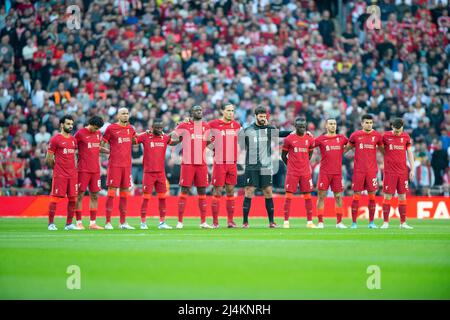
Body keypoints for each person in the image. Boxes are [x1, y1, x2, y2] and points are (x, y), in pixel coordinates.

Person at [170, 105, 213, 229]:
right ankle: (179, 221)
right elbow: (173, 137)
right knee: (184, 190)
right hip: (188, 163)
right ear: (191, 113)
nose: (199, 112)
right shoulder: (185, 125)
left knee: (202, 191)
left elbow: (209, 140)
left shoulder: (206, 126)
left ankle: (203, 222)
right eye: (196, 110)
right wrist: (178, 126)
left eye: (200, 110)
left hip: (202, 163)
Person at [241, 106, 278, 228]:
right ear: (255, 116)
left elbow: (279, 133)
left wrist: (297, 132)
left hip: (265, 166)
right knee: (249, 191)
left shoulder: (268, 129)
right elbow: (241, 144)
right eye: (260, 116)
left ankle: (271, 222)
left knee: (268, 191)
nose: (263, 118)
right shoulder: (248, 130)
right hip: (251, 166)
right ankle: (245, 222)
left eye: (264, 116)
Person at [101, 108, 137, 230]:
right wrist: (109, 152)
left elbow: (134, 141)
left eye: (127, 113)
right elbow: (101, 144)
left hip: (127, 166)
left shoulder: (131, 129)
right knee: (111, 194)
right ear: (118, 116)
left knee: (124, 194)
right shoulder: (111, 128)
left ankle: (123, 222)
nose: (126, 115)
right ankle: (107, 222)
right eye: (123, 113)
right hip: (114, 165)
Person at [345, 114, 383, 229]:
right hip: (358, 171)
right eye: (367, 122)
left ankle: (371, 223)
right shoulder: (356, 135)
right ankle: (354, 223)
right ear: (362, 123)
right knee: (356, 196)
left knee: (372, 196)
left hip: (372, 171)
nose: (369, 124)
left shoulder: (377, 136)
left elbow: (383, 151)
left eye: (371, 123)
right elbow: (346, 149)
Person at [137, 119, 175, 230]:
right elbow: (134, 141)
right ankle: (143, 222)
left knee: (162, 198)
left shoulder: (164, 138)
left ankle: (162, 222)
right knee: (146, 198)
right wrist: (141, 133)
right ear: (152, 127)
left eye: (161, 128)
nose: (159, 130)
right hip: (148, 173)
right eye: (157, 128)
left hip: (161, 173)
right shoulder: (145, 136)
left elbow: (174, 142)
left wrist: (182, 136)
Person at [208, 103, 241, 228]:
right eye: (228, 110)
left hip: (232, 163)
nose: (231, 113)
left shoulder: (237, 125)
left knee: (231, 191)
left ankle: (230, 221)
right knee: (217, 191)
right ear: (222, 111)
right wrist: (213, 148)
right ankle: (215, 222)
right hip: (220, 163)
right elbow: (205, 137)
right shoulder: (213, 124)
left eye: (232, 110)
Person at [313, 118, 348, 229]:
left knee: (338, 196)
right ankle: (320, 222)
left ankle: (339, 222)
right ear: (326, 126)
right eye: (330, 124)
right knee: (321, 196)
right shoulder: (321, 139)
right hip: (324, 172)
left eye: (334, 124)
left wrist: (342, 152)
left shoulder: (342, 138)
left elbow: (351, 144)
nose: (333, 126)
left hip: (337, 173)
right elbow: (309, 145)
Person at [281, 117, 316, 228]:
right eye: (299, 127)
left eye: (303, 127)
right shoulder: (289, 139)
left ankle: (309, 222)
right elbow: (283, 156)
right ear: (295, 127)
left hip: (305, 172)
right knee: (288, 195)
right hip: (292, 172)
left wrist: (303, 164)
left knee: (308, 196)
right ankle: (286, 221)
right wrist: (291, 165)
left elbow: (309, 155)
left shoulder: (309, 139)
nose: (302, 129)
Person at [74, 116, 108, 230]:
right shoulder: (80, 133)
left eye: (98, 128)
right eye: (95, 127)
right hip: (83, 169)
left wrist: (109, 151)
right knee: (80, 195)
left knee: (94, 196)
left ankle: (92, 223)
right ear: (90, 123)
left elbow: (96, 147)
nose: (96, 130)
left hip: (95, 170)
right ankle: (78, 222)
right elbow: (72, 147)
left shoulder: (98, 134)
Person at [380, 118, 415, 229]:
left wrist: (412, 169)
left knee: (402, 196)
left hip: (402, 172)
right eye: (395, 130)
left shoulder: (406, 137)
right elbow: (380, 148)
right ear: (392, 127)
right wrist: (386, 157)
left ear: (402, 127)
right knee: (387, 196)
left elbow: (409, 153)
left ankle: (403, 223)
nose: (397, 133)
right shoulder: (385, 136)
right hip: (389, 171)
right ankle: (385, 222)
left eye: (399, 131)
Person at [46, 115, 79, 231]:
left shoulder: (74, 140)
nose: (70, 126)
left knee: (73, 199)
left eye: (71, 124)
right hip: (60, 174)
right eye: (68, 124)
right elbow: (48, 158)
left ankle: (69, 224)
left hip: (72, 175)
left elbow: (74, 157)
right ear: (61, 125)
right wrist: (57, 169)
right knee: (55, 198)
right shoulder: (55, 139)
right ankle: (51, 224)